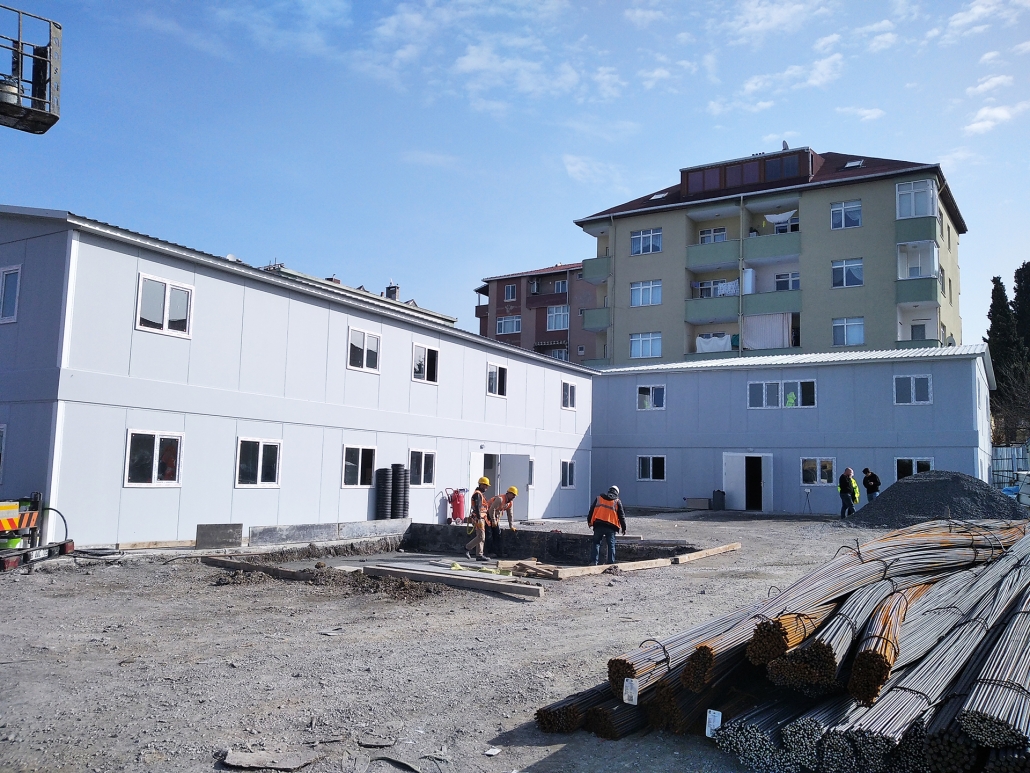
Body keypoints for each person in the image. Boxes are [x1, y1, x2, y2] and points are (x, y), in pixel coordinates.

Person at [587, 485, 627, 565]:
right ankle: (610, 563)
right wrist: (624, 528)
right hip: (611, 527)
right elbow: (621, 516)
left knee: (596, 543)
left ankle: (594, 562)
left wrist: (589, 522)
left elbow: (591, 510)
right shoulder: (617, 502)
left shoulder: (599, 498)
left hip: (598, 525)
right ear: (617, 493)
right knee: (611, 545)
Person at [484, 486, 518, 557]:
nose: (514, 497)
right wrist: (493, 520)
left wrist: (511, 526)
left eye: (515, 495)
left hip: (494, 517)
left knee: (498, 534)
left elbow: (510, 514)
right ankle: (488, 552)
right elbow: (491, 509)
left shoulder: (510, 503)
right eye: (513, 495)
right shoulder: (500, 499)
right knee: (489, 534)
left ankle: (498, 552)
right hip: (487, 515)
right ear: (508, 493)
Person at [465, 477, 490, 562]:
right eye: (485, 485)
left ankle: (479, 555)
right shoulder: (478, 494)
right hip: (478, 518)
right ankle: (467, 548)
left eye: (487, 486)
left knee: (481, 537)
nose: (486, 487)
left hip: (481, 518)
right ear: (480, 485)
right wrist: (479, 519)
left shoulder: (480, 494)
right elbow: (477, 507)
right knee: (481, 536)